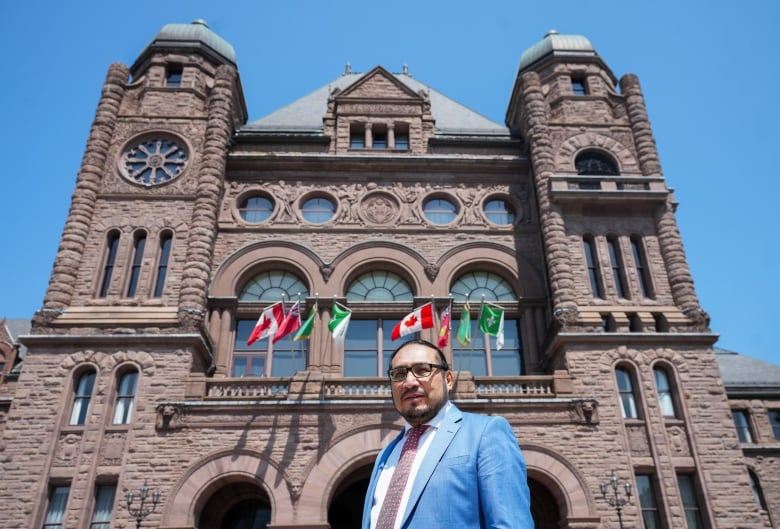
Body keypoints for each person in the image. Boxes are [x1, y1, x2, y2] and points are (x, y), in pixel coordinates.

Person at [362, 338, 534, 529]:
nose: (409, 382)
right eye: (399, 374)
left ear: (448, 379)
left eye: (422, 370)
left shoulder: (486, 433)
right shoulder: (385, 456)